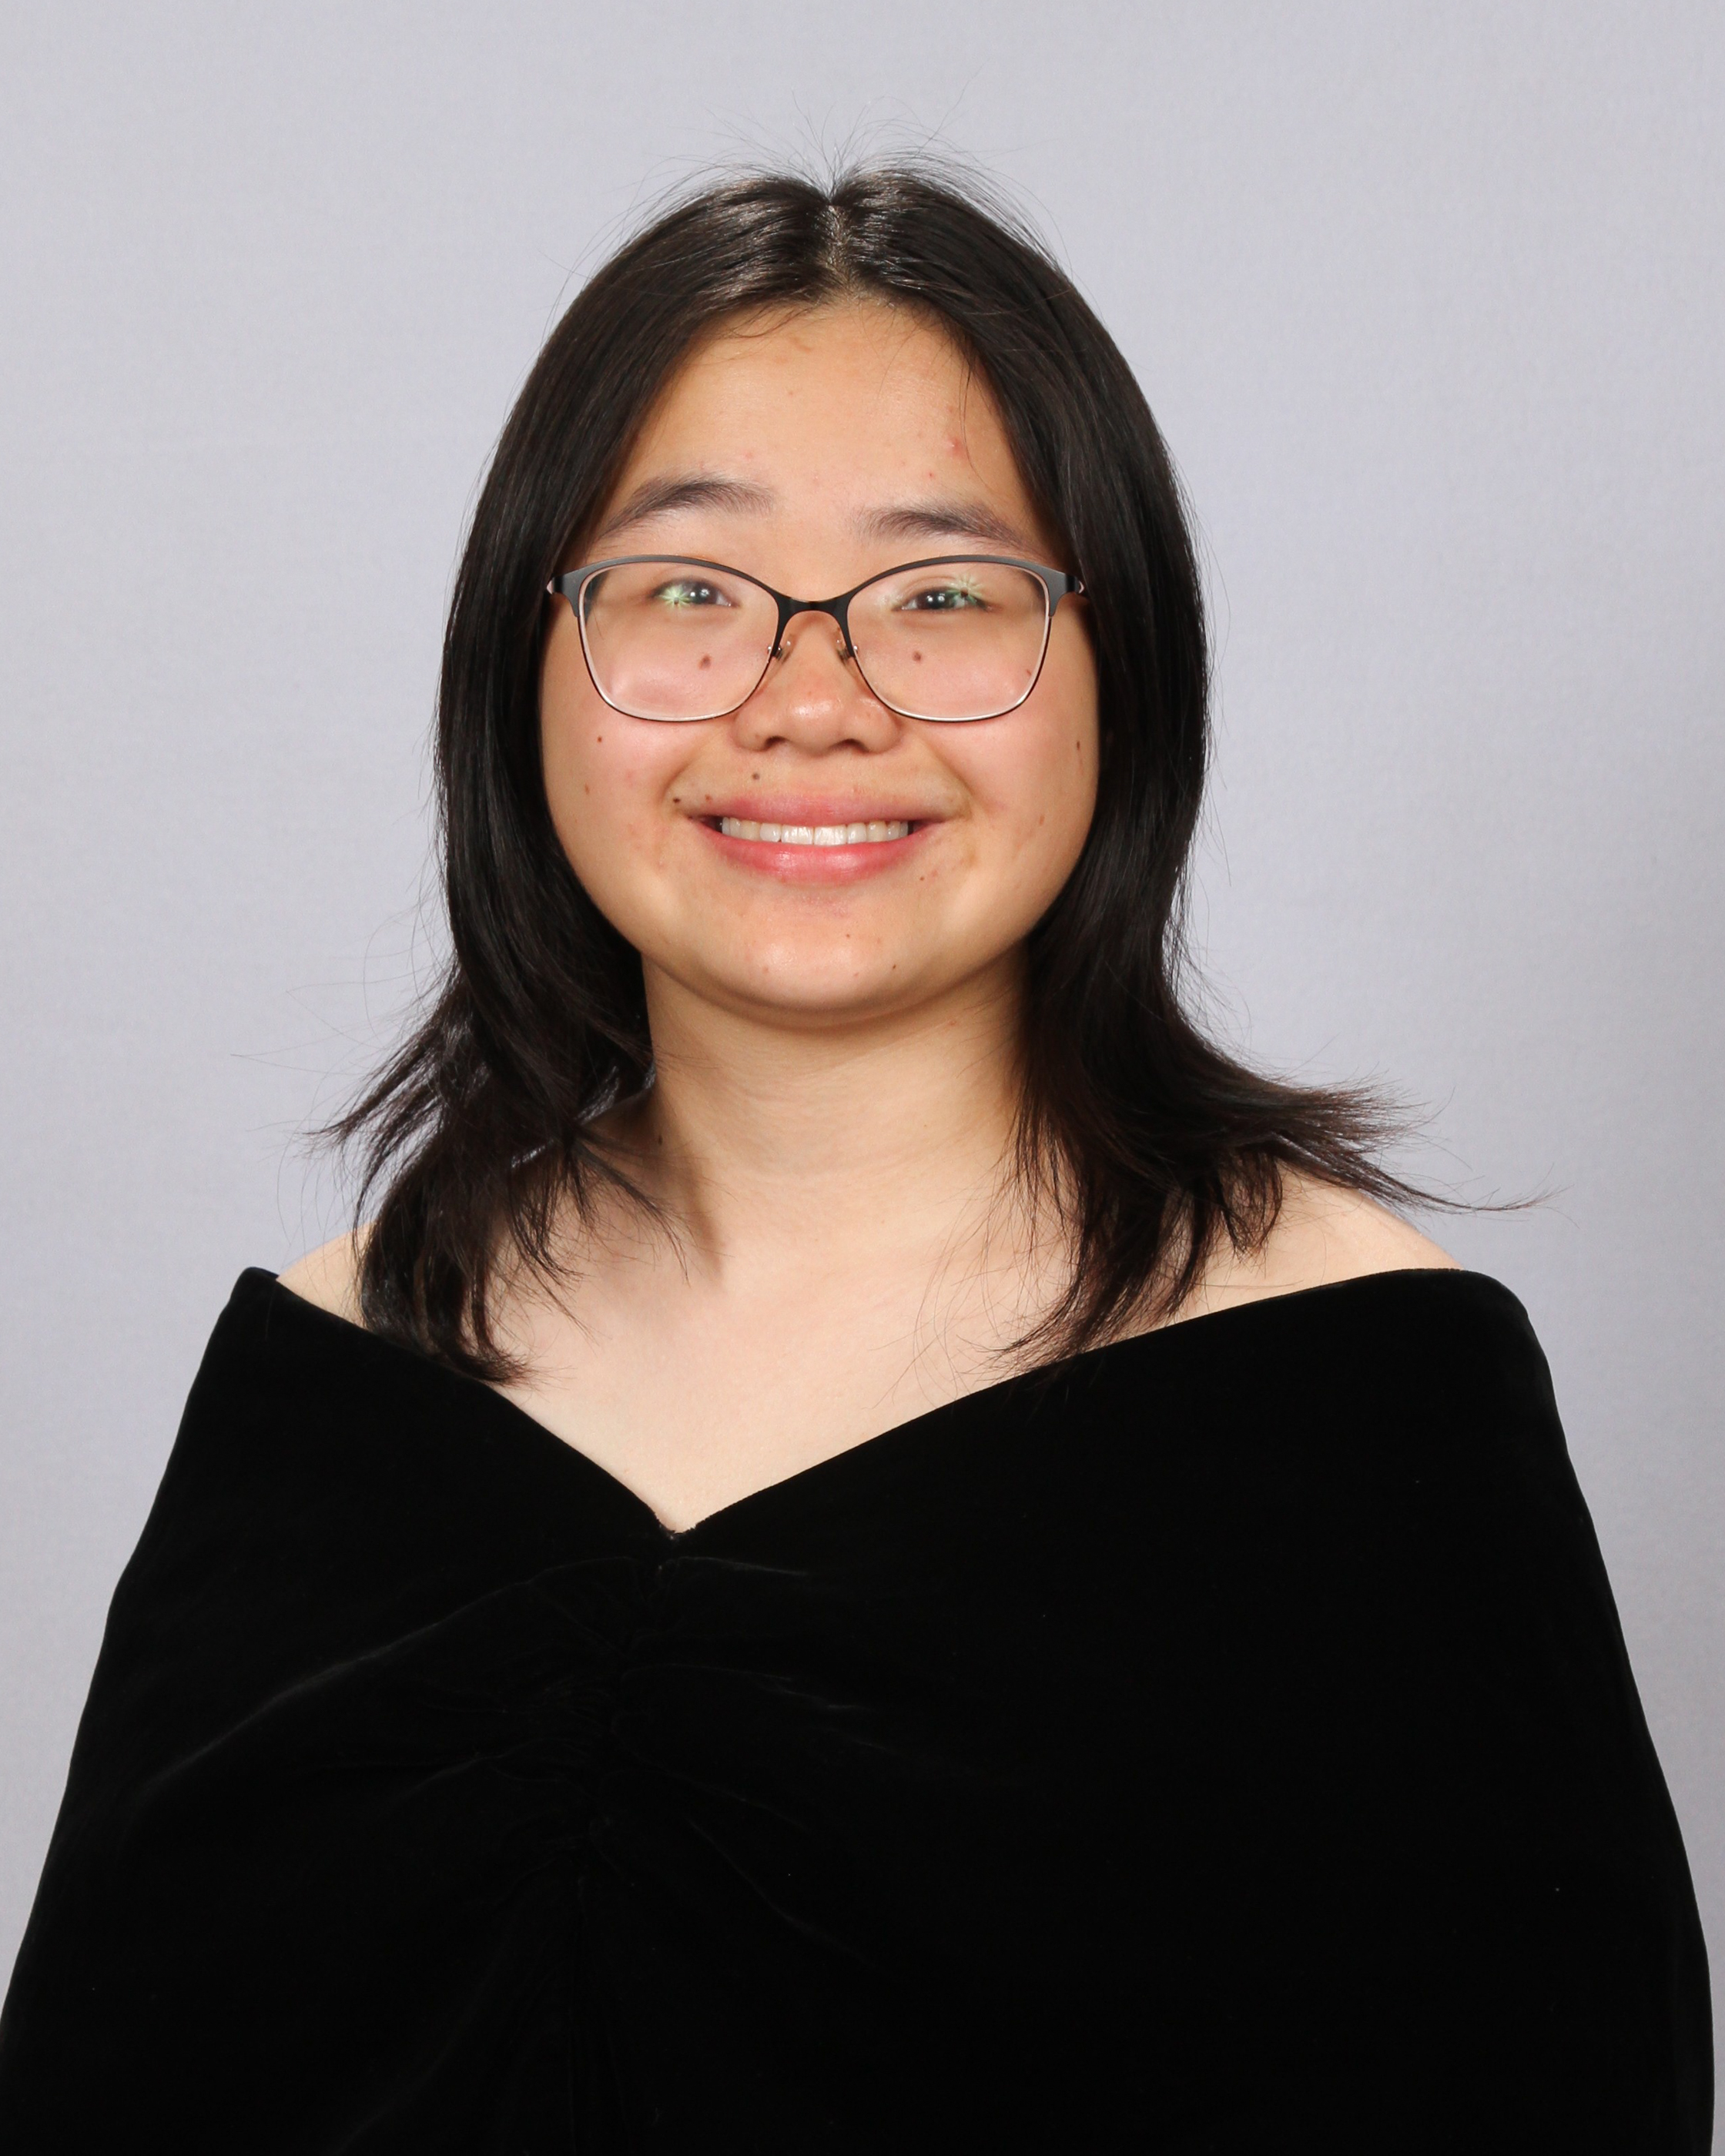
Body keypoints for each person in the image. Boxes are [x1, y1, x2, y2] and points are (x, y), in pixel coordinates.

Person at [0, 165, 1710, 2151]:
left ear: (1124, 673)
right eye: (689, 592)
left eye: (945, 597)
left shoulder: (1358, 1397)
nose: (812, 706)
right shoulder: (340, 1373)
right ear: (524, 667)